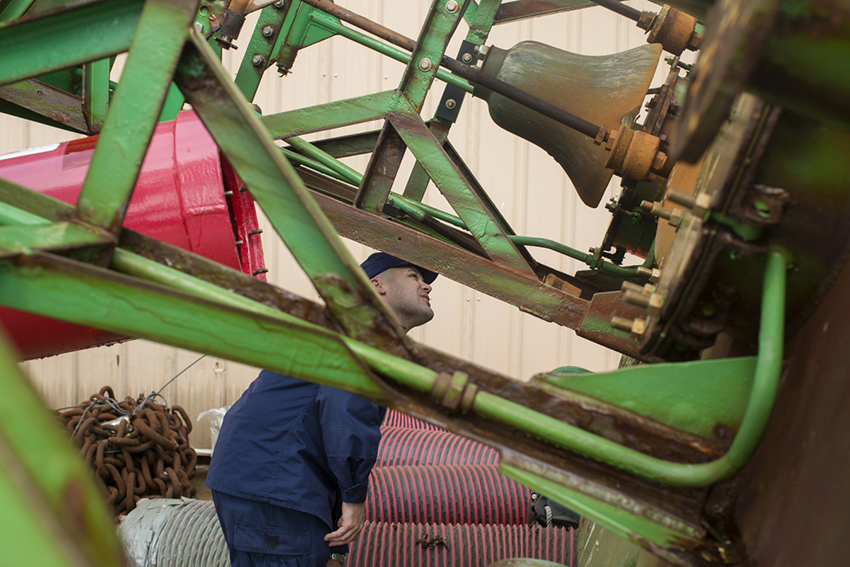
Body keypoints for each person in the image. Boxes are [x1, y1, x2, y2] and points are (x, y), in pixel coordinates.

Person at [206, 252, 437, 567]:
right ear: (376, 285)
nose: (427, 286)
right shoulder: (361, 336)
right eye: (414, 276)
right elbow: (345, 415)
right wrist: (354, 498)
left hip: (270, 477)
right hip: (275, 481)